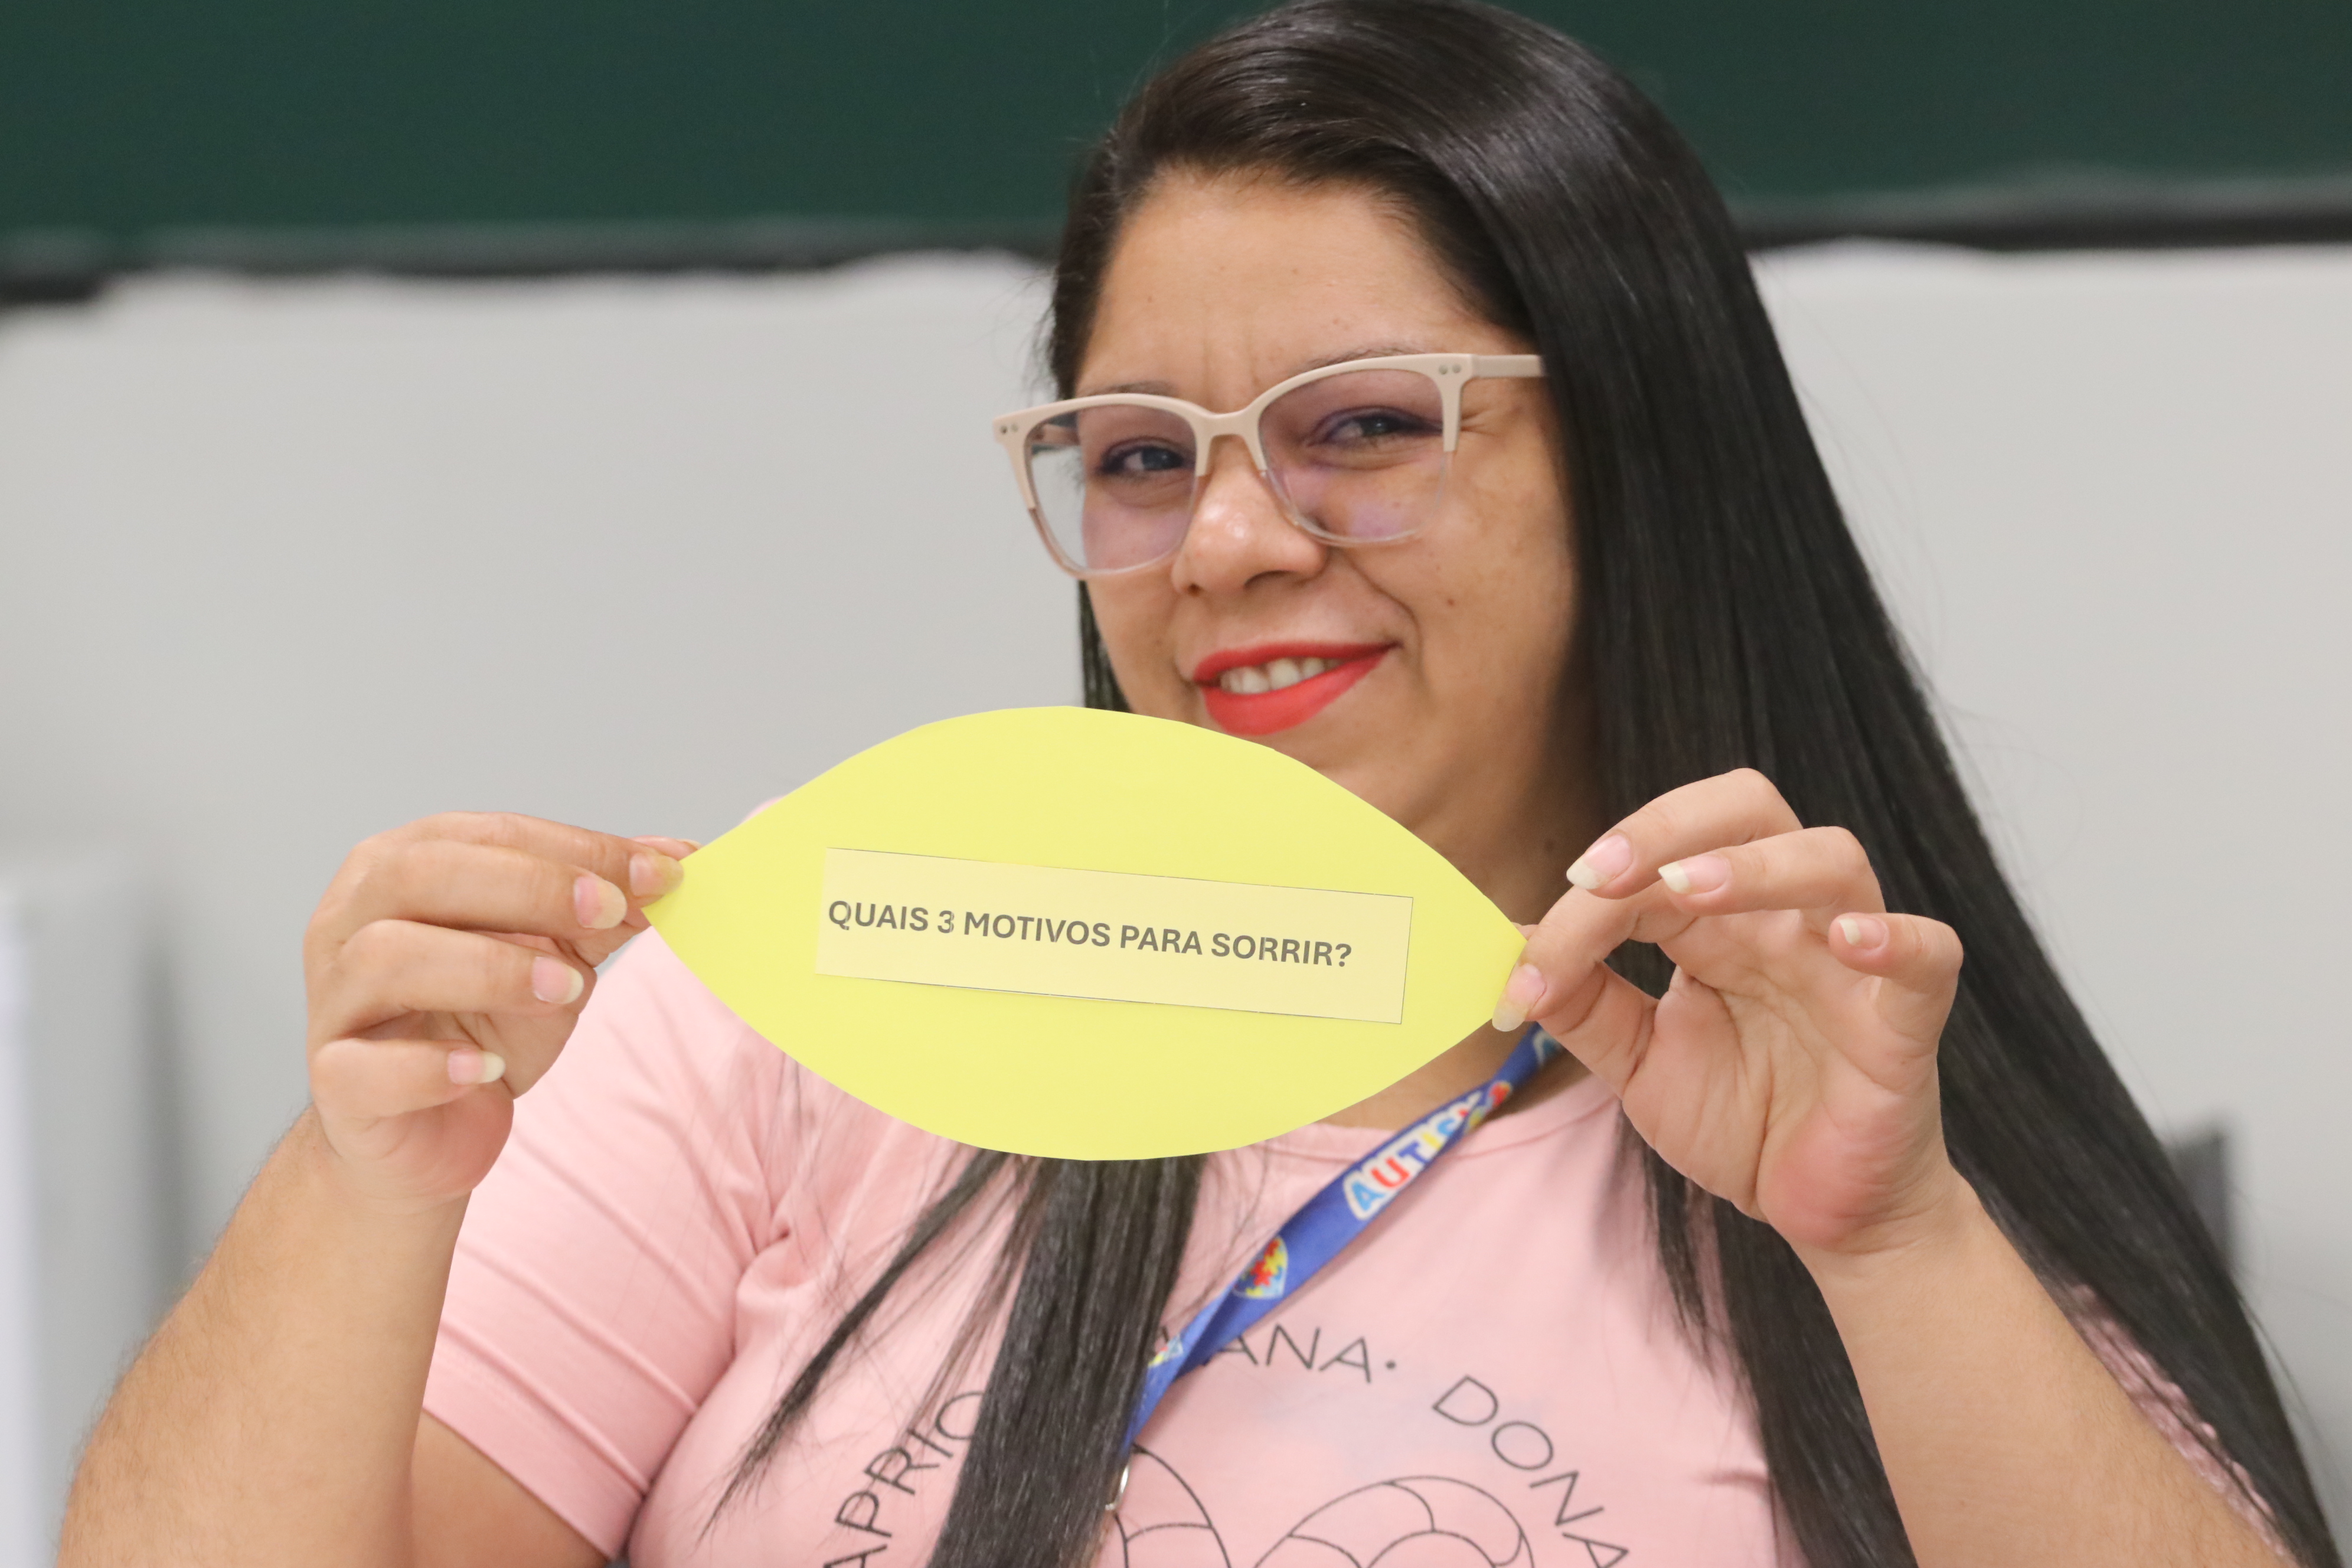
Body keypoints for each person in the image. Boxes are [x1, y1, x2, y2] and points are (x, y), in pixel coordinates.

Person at [60, 2, 2341, 1565]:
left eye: (1363, 426)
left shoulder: (1847, 1128)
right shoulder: (792, 1019)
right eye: (1143, 456)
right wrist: (360, 1186)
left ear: (1639, 454)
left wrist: (1891, 1240)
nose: (1232, 540)